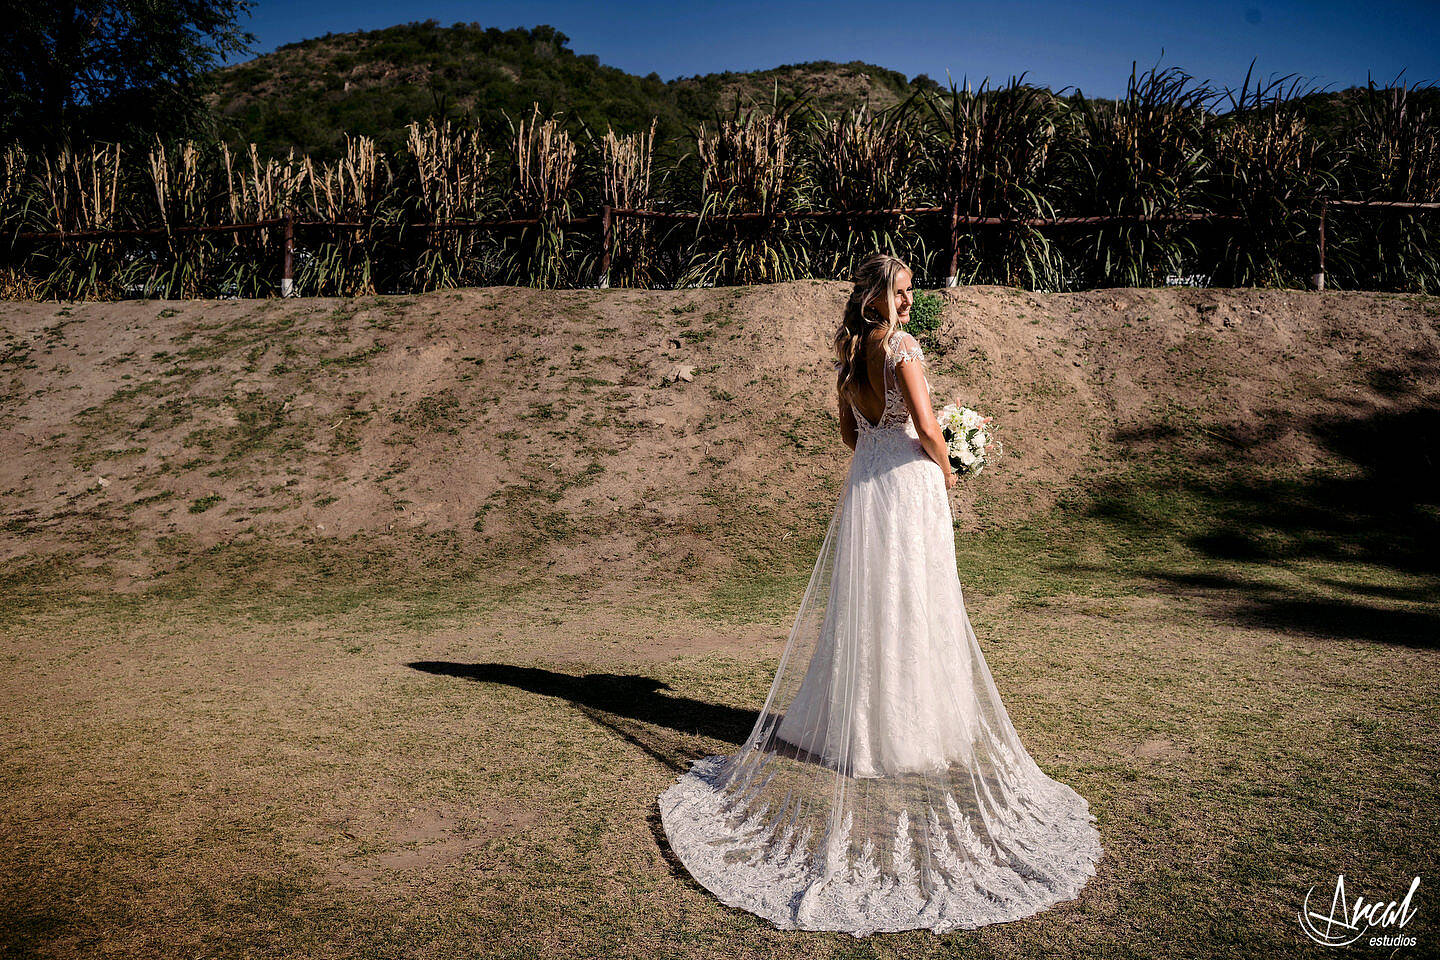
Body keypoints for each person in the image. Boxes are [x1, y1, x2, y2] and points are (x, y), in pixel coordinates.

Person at [658, 252, 1103, 936]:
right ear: (877, 297)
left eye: (911, 289)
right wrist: (951, 465)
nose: (910, 299)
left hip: (867, 488)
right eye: (902, 289)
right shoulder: (901, 348)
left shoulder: (847, 359)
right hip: (908, 485)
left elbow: (848, 435)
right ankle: (906, 731)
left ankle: (857, 729)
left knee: (870, 604)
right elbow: (926, 427)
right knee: (913, 604)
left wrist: (888, 434)